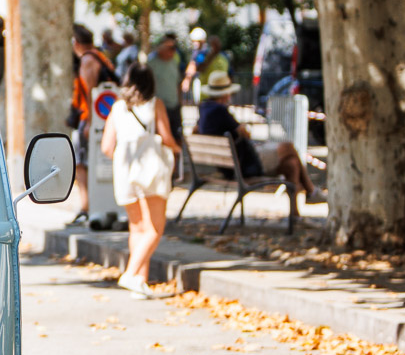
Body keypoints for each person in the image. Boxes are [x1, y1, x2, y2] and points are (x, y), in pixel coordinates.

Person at [100, 62, 180, 298]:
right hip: (149, 171)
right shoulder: (155, 104)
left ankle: (139, 282)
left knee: (137, 228)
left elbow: (107, 147)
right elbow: (166, 137)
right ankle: (131, 273)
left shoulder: (117, 108)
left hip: (124, 172)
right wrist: (177, 149)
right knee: (155, 229)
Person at [194, 70, 323, 205]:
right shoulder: (220, 111)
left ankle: (298, 209)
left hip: (230, 164)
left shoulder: (204, 109)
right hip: (245, 164)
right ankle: (311, 191)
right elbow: (245, 133)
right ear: (226, 93)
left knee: (291, 164)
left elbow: (195, 130)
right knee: (288, 146)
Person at [66, 23, 119, 220]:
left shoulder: (87, 60)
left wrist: (89, 122)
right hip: (103, 118)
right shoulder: (100, 57)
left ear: (76, 43)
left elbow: (90, 93)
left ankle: (86, 206)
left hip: (90, 118)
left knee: (81, 163)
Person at [146, 34, 187, 152]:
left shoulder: (174, 61)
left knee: (177, 138)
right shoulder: (152, 63)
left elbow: (177, 82)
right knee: (163, 139)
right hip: (160, 107)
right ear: (161, 49)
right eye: (170, 48)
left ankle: (177, 162)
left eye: (174, 48)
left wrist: (180, 101)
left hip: (174, 106)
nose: (173, 51)